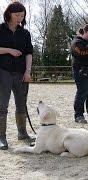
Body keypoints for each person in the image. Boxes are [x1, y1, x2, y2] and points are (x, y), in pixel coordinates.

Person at [0, 2, 34, 150]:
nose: (20, 18)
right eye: (17, 15)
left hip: (21, 73)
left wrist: (28, 71)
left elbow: (29, 53)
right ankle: (1, 138)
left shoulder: (25, 33)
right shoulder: (0, 29)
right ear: (9, 14)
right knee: (2, 106)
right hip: (3, 71)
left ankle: (23, 133)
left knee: (21, 104)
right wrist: (9, 50)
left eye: (22, 15)